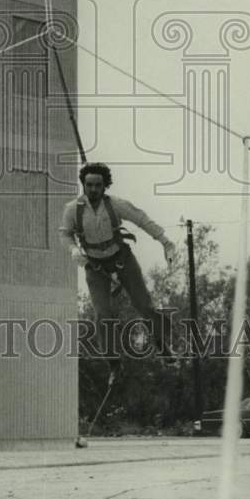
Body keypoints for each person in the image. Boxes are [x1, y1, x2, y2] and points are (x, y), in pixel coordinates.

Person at [59, 162, 177, 381]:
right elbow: (65, 234)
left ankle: (162, 342)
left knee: (144, 305)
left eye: (97, 185)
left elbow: (142, 220)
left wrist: (166, 242)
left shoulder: (116, 205)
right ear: (83, 185)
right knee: (103, 315)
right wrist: (73, 249)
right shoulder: (73, 209)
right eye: (89, 185)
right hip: (95, 266)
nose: (93, 190)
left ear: (105, 186)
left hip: (122, 260)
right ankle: (114, 364)